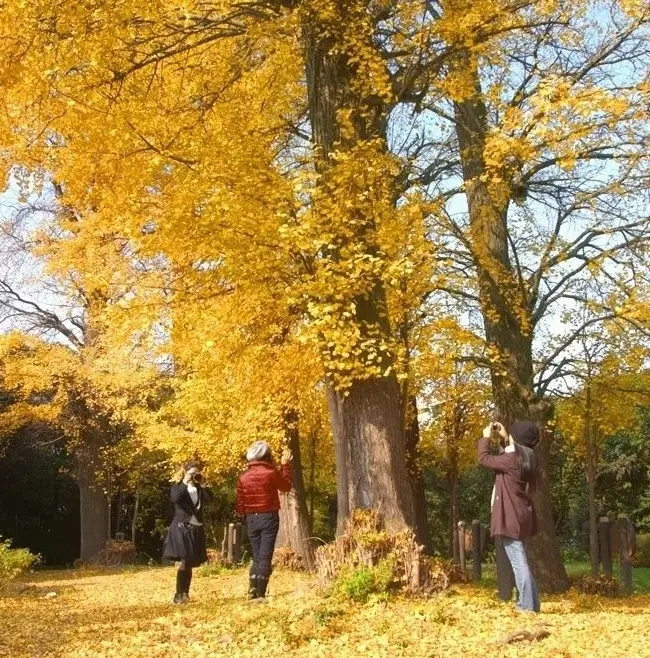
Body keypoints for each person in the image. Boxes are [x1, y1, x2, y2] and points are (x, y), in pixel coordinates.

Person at [477, 419, 541, 613]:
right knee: (521, 560)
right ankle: (532, 603)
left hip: (510, 517)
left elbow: (483, 458)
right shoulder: (528, 458)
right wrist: (506, 437)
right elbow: (512, 454)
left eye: (512, 435)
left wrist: (486, 438)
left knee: (518, 562)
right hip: (522, 516)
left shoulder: (510, 460)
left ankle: (527, 606)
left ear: (517, 439)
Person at [235, 441, 292, 601]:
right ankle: (260, 594)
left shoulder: (243, 477)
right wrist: (286, 466)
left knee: (257, 555)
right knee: (265, 556)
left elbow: (239, 504)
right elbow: (286, 486)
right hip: (269, 517)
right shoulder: (270, 473)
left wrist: (247, 515)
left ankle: (252, 590)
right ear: (267, 456)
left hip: (252, 518)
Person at [163, 461, 211, 604]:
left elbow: (210, 499)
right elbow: (175, 499)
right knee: (184, 560)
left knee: (189, 561)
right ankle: (179, 594)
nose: (194, 476)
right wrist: (185, 481)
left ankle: (186, 593)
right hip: (181, 527)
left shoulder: (199, 487)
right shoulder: (178, 487)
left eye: (197, 473)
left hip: (195, 527)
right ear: (185, 472)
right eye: (192, 473)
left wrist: (203, 484)